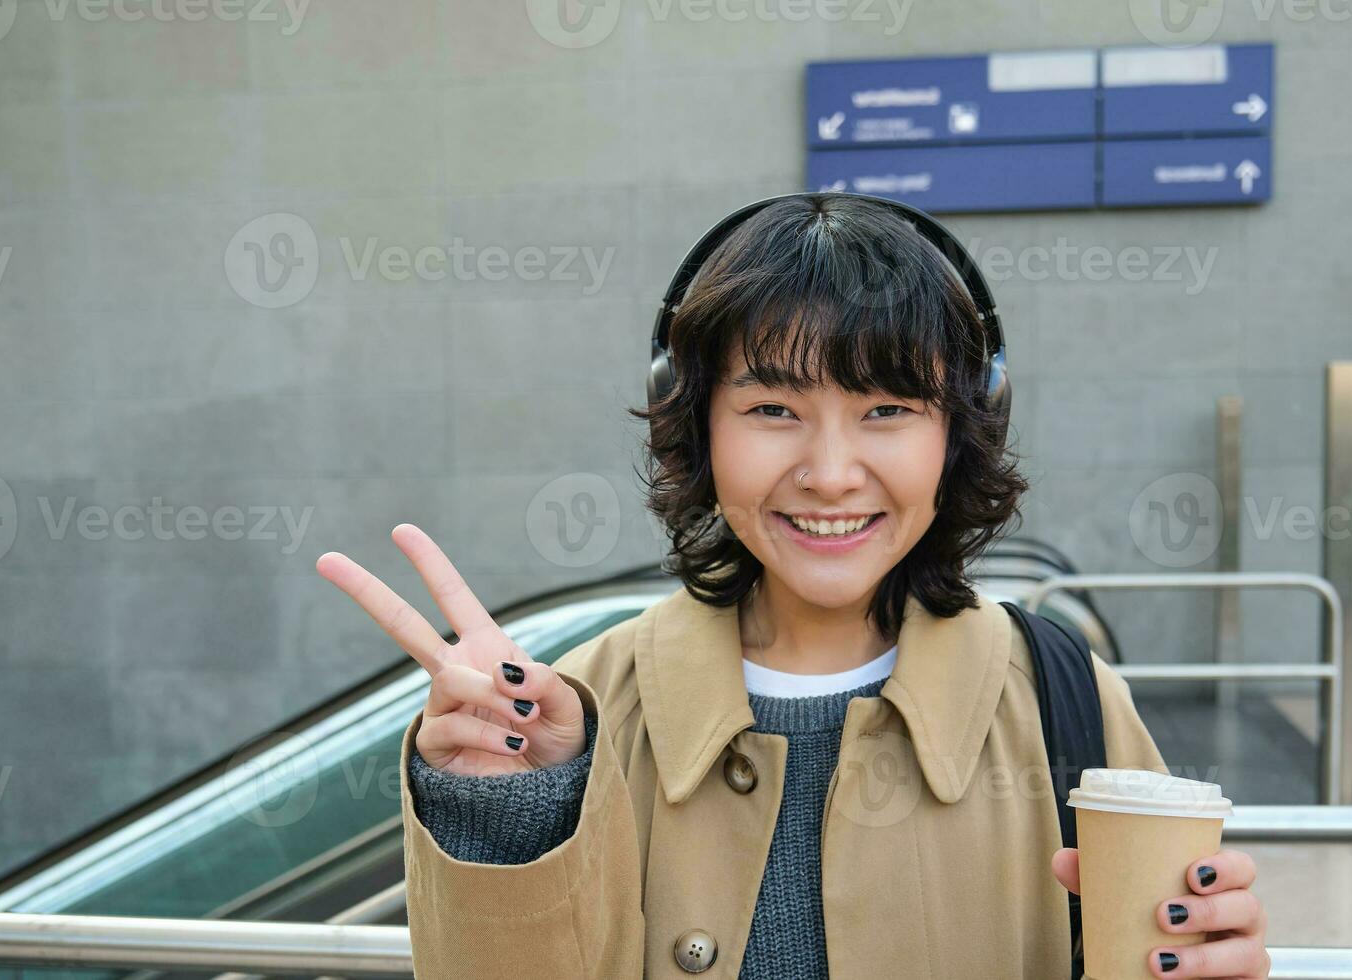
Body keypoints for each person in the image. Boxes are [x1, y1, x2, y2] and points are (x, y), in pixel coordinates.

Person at [316, 193, 1273, 979]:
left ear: (961, 428)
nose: (829, 472)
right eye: (773, 407)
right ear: (698, 425)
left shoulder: (1062, 692)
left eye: (887, 409)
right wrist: (510, 815)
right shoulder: (582, 712)